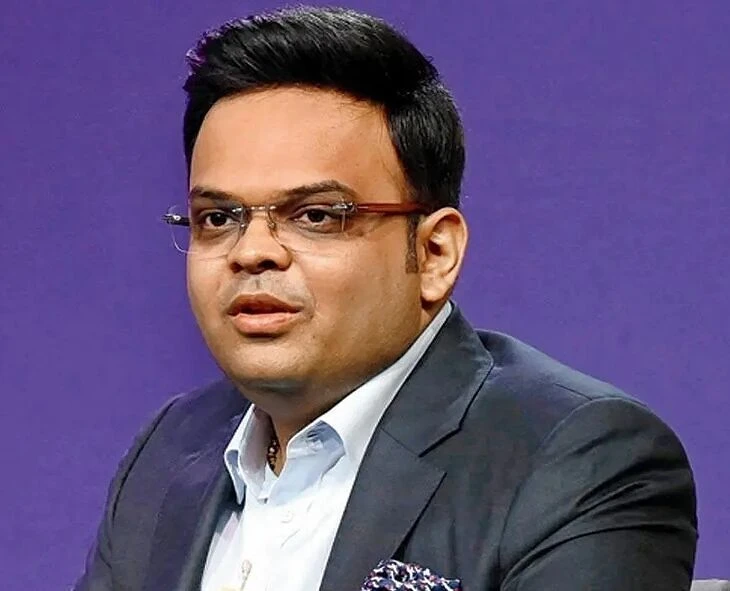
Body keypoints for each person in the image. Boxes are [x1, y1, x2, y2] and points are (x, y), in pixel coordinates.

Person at [74, 6, 697, 591]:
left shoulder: (574, 459)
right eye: (218, 218)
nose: (252, 251)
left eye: (316, 216)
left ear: (434, 253)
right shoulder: (170, 448)